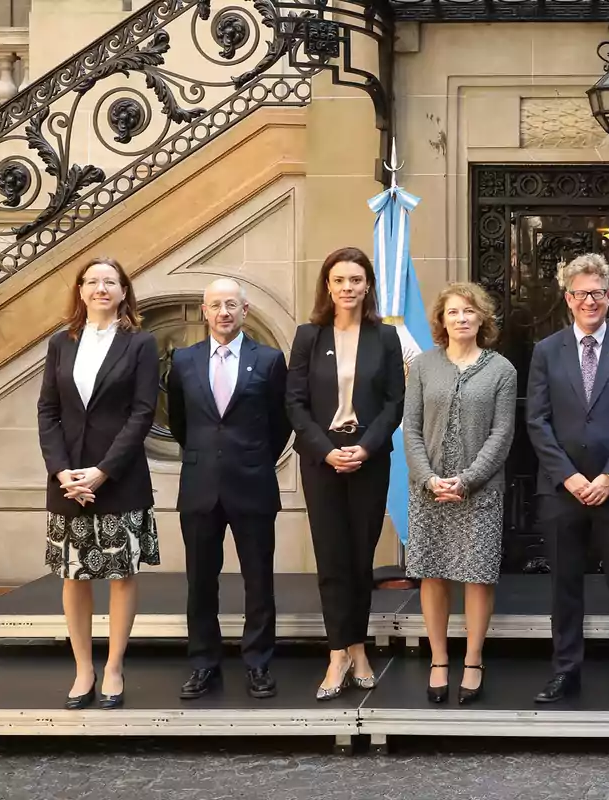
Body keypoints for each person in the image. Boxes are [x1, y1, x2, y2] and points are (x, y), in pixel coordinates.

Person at [526, 253, 609, 708]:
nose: (590, 301)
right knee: (564, 586)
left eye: (597, 293)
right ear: (568, 298)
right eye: (581, 293)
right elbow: (537, 422)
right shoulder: (546, 351)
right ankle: (565, 670)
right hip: (562, 493)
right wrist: (569, 478)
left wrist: (608, 477)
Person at [37, 257, 161, 710]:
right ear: (81, 291)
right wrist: (61, 470)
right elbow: (48, 411)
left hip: (120, 477)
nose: (101, 288)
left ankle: (112, 667)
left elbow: (142, 413)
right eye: (92, 281)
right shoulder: (60, 343)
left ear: (123, 291)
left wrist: (103, 470)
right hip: (68, 479)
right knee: (74, 576)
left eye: (110, 281)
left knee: (120, 574)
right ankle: (83, 668)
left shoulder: (141, 344)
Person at [286, 246, 406, 701]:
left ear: (368, 285)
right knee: (332, 559)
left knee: (360, 559)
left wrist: (367, 446)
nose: (348, 288)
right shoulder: (308, 336)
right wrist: (326, 451)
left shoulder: (385, 338)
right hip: (323, 459)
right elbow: (294, 401)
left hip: (369, 456)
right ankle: (339, 652)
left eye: (356, 280)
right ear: (328, 286)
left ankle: (358, 648)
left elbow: (395, 401)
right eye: (339, 280)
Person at [167, 278, 291, 700]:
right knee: (201, 581)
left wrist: (252, 457)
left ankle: (257, 662)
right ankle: (204, 663)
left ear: (245, 310)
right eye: (216, 304)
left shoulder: (271, 360)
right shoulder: (182, 361)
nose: (224, 312)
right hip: (200, 486)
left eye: (232, 305)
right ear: (204, 310)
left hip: (252, 482)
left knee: (258, 580)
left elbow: (281, 423)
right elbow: (181, 424)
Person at [403, 282, 517, 706]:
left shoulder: (501, 370)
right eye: (454, 312)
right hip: (428, 489)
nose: (462, 318)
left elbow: (502, 434)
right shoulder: (424, 366)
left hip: (480, 491)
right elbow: (411, 427)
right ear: (442, 320)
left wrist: (467, 480)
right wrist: (429, 478)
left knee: (476, 574)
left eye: (470, 311)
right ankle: (438, 659)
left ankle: (472, 659)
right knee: (432, 572)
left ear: (482, 319)